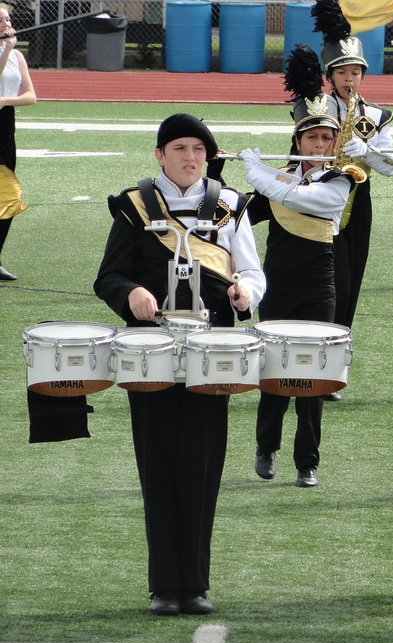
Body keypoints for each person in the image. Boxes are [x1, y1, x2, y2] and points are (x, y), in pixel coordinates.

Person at [94, 114, 265, 616]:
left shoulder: (230, 205)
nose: (190, 157)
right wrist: (132, 293)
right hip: (149, 355)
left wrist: (245, 292)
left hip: (213, 355)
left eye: (198, 149)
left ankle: (195, 585)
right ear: (160, 155)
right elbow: (109, 278)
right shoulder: (135, 206)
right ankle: (163, 586)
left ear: (208, 157)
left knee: (202, 464)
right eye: (179, 148)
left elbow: (252, 270)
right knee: (158, 462)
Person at [247, 63, 355, 488]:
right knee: (273, 372)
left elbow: (310, 200)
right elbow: (237, 216)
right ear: (297, 140)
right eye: (313, 136)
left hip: (319, 287)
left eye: (328, 136)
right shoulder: (278, 179)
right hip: (278, 284)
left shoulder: (343, 177)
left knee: (313, 376)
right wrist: (214, 177)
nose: (321, 143)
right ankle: (265, 447)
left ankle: (307, 461)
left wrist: (260, 175)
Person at [312, 0, 393, 360]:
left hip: (356, 202)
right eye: (343, 73)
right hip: (317, 200)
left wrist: (366, 151)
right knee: (322, 282)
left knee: (349, 282)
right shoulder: (314, 108)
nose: (350, 80)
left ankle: (336, 359)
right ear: (329, 77)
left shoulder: (374, 115)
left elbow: (392, 167)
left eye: (355, 73)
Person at [0, 1, 35, 281]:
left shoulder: (17, 56)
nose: (8, 25)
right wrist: (7, 48)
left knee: (8, 195)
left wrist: (5, 100)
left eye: (8, 20)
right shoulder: (8, 52)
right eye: (1, 21)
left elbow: (31, 96)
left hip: (4, 124)